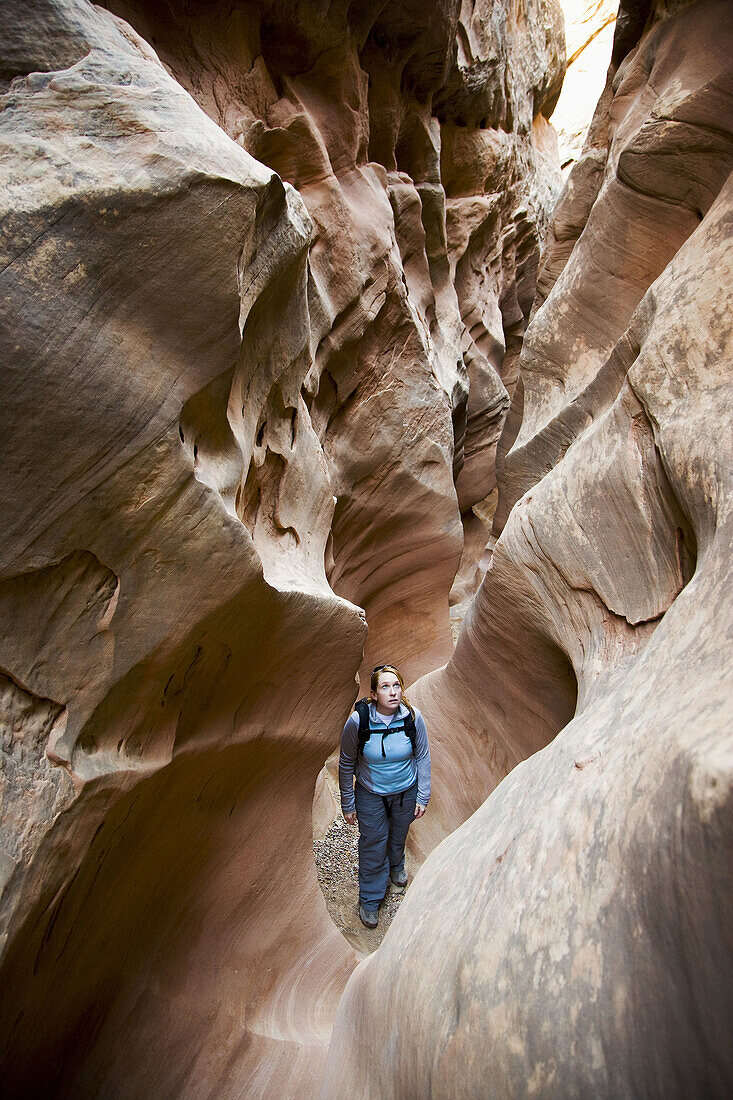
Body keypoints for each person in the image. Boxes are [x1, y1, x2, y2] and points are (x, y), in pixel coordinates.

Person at [339, 663, 431, 928]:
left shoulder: (413, 718)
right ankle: (370, 899)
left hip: (405, 790)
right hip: (370, 794)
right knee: (373, 844)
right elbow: (346, 762)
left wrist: (422, 795)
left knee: (399, 832)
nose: (392, 692)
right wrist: (348, 802)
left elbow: (422, 756)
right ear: (374, 694)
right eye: (385, 687)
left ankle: (396, 865)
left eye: (396, 686)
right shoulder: (359, 721)